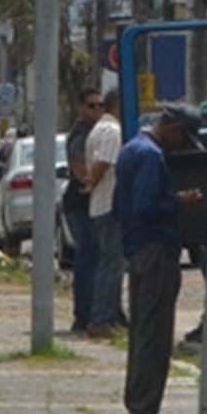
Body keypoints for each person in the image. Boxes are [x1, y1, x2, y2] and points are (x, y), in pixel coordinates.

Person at [113, 103, 204, 414]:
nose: (182, 145)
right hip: (155, 252)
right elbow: (145, 206)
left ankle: (141, 408)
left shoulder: (134, 148)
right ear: (170, 125)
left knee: (145, 330)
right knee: (154, 334)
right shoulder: (150, 156)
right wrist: (180, 200)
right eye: (182, 136)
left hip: (141, 251)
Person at [82, 91, 126, 335]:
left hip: (101, 205)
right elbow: (103, 163)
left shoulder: (99, 129)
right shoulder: (112, 132)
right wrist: (92, 183)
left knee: (109, 264)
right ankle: (101, 319)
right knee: (112, 266)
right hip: (109, 204)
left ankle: (111, 316)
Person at [64, 93, 97, 333]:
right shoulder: (80, 135)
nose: (96, 110)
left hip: (93, 205)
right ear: (80, 108)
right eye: (91, 105)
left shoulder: (98, 133)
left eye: (100, 105)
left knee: (97, 260)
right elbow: (80, 172)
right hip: (80, 205)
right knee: (86, 259)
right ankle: (83, 315)